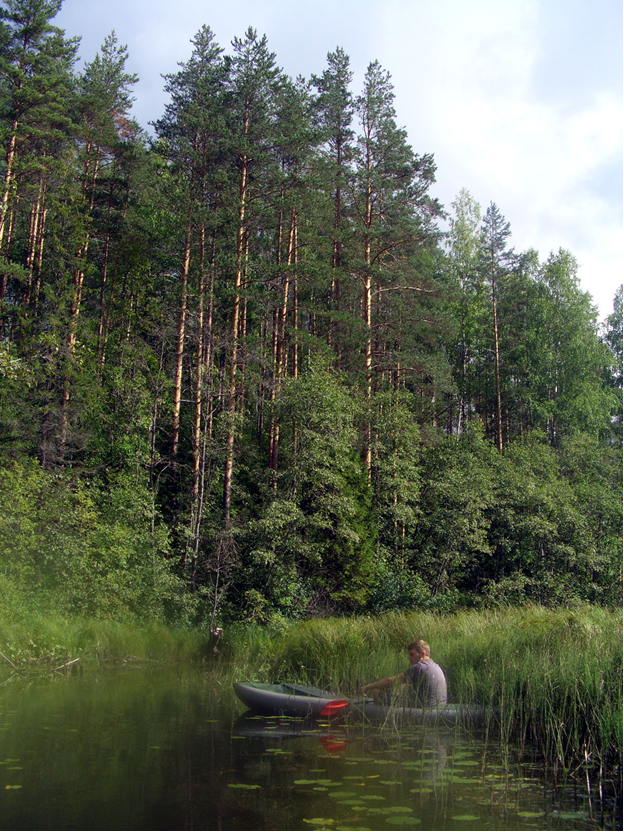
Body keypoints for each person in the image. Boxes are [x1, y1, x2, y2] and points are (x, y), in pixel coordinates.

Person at [359, 639, 447, 707]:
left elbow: (390, 681)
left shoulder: (419, 667)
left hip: (426, 708)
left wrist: (367, 687)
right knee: (403, 686)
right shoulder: (435, 665)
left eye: (412, 654)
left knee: (376, 691)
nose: (409, 657)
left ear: (422, 654)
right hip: (440, 706)